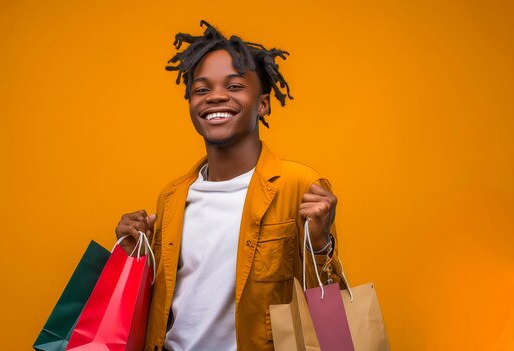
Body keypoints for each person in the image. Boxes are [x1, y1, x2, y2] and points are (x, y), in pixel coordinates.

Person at [114, 20, 345, 351]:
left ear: (263, 103)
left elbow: (328, 316)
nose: (216, 97)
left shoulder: (300, 186)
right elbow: (161, 303)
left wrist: (320, 243)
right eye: (202, 89)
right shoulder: (172, 196)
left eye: (234, 86)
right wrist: (131, 250)